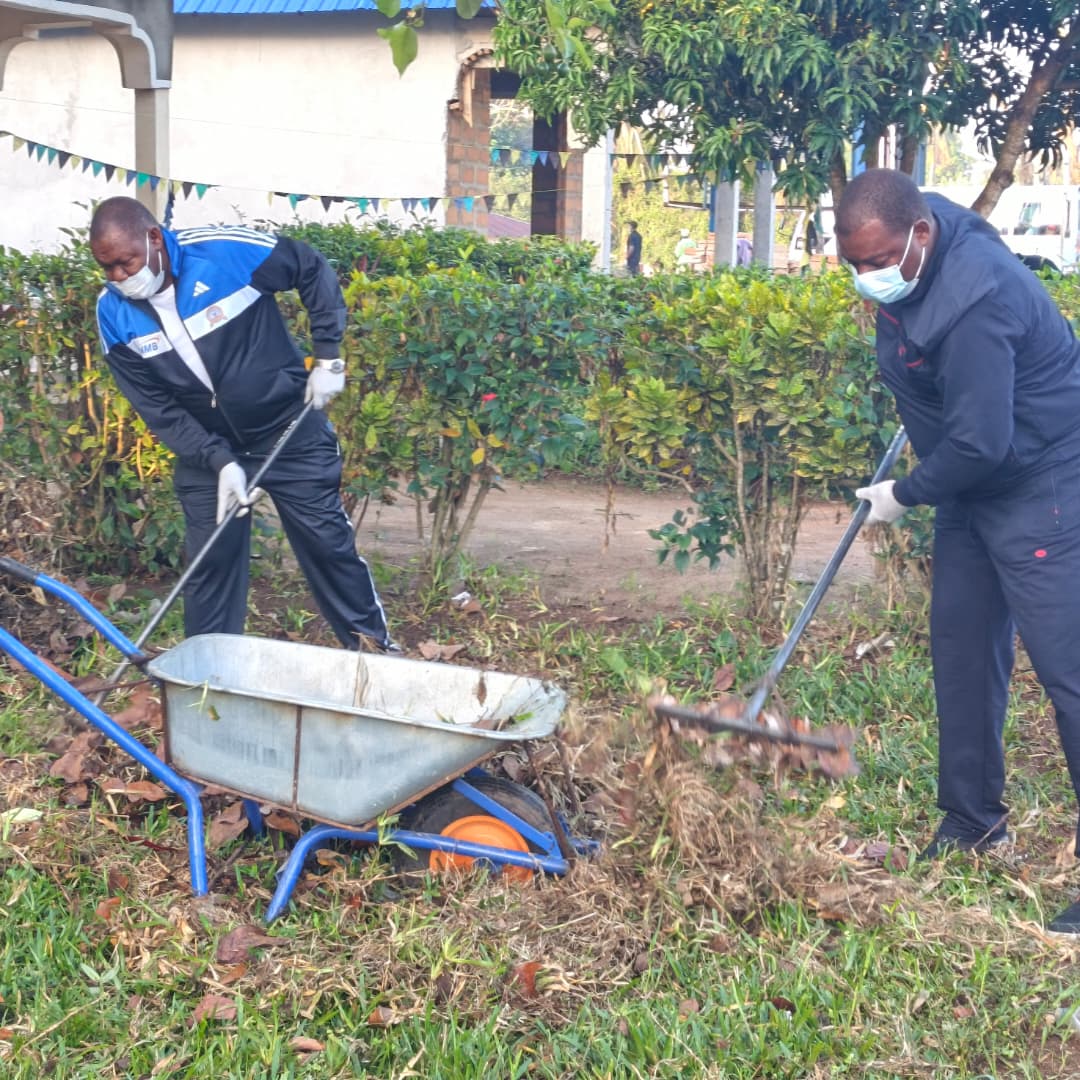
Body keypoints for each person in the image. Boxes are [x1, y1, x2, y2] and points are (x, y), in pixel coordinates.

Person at [836, 168, 1080, 935]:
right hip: (971, 478)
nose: (868, 277)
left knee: (1068, 671)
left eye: (879, 262)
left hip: (1040, 480)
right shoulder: (913, 234)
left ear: (921, 236)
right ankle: (972, 822)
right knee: (963, 648)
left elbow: (982, 440)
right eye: (855, 265)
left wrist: (902, 496)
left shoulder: (979, 297)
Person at [89, 196, 398, 654]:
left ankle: (375, 658)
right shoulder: (113, 314)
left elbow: (310, 268)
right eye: (106, 267)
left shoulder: (224, 253)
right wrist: (219, 461)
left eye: (125, 262)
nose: (117, 276)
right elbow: (157, 407)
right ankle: (210, 677)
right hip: (208, 453)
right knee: (209, 565)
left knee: (327, 548)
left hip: (288, 429)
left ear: (154, 238)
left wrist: (328, 357)